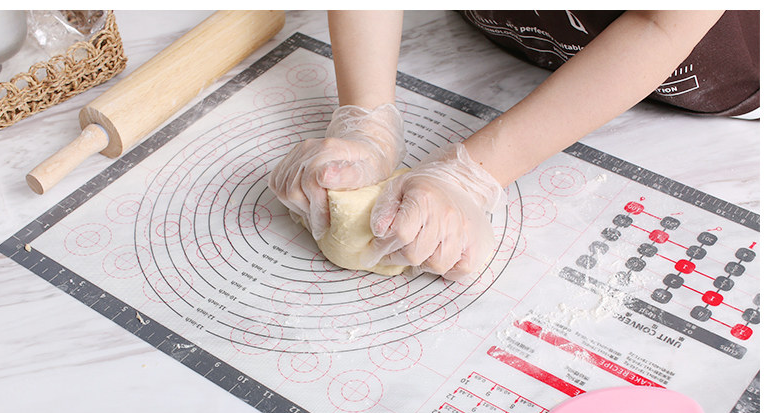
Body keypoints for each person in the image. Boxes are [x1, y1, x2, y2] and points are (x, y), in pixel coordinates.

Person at [268, 10, 759, 282]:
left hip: (697, 89)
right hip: (504, 35)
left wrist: (474, 173)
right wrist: (367, 117)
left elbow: (660, 25)